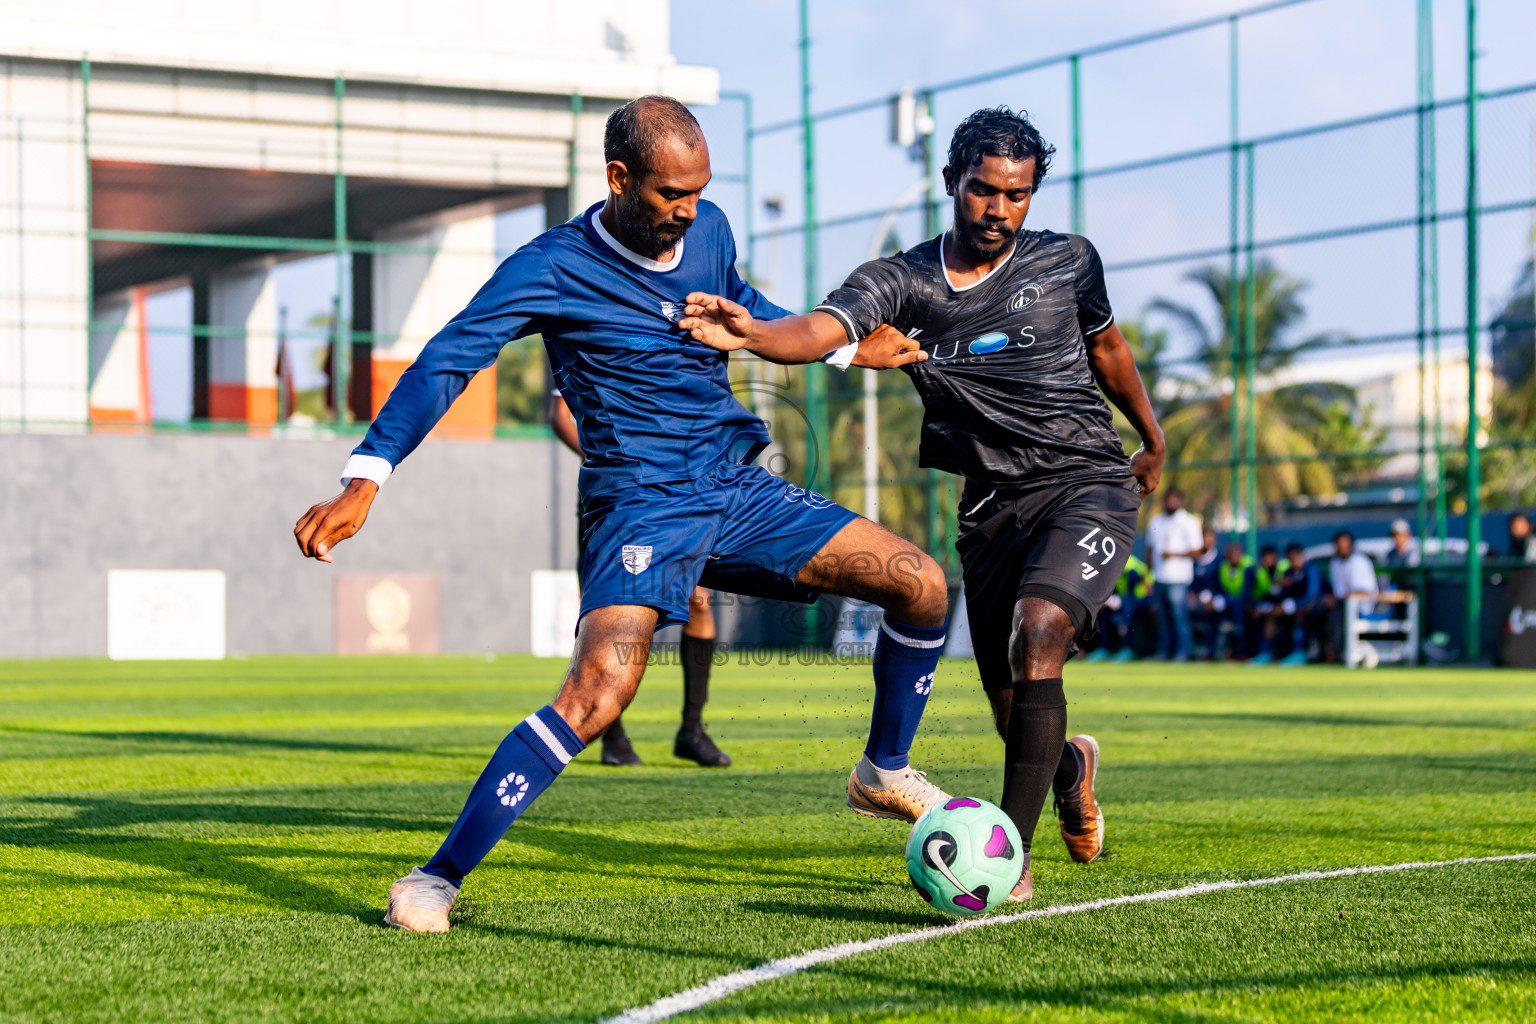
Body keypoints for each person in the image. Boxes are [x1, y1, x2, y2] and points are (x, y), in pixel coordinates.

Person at [294, 96, 954, 934]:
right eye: (672, 193)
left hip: (733, 488)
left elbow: (741, 305)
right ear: (618, 178)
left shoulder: (708, 228)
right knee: (600, 690)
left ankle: (883, 771)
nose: (689, 209)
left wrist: (847, 346)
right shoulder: (549, 267)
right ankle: (436, 876)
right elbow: (447, 362)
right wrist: (366, 478)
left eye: (699, 190)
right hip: (641, 503)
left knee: (920, 583)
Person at [676, 106, 1166, 903]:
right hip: (992, 507)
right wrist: (756, 336)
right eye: (983, 190)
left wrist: (1152, 439)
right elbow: (823, 325)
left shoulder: (1071, 261)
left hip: (1089, 482)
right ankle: (1070, 768)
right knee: (1014, 704)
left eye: (1017, 194)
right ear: (952, 183)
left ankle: (1010, 862)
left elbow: (1109, 348)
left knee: (1039, 635)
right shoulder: (902, 281)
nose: (999, 209)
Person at [550, 392, 728, 768]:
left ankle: (692, 731)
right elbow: (561, 416)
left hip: (676, 491)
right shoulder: (582, 337)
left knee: (698, 599)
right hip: (616, 495)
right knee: (605, 609)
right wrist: (614, 460)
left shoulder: (680, 343)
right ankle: (612, 735)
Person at [1146, 490, 1203, 662]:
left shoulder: (1189, 521)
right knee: (1162, 619)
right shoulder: (1156, 521)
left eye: (1173, 499)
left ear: (1181, 501)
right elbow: (1149, 550)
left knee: (1179, 617)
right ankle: (1164, 652)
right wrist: (1147, 575)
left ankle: (1183, 652)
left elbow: (1197, 551)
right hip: (1159, 577)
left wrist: (1174, 554)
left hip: (1179, 578)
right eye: (1167, 499)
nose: (1170, 503)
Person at [1323, 529, 1379, 662]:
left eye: (1345, 543)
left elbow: (1363, 591)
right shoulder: (1335, 563)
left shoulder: (1359, 561)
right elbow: (1337, 591)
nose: (1342, 547)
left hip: (1362, 607)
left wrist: (1337, 599)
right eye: (1339, 544)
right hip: (1342, 604)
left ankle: (1338, 653)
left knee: (1337, 614)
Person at [1084, 552, 1151, 662]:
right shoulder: (1110, 564)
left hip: (1139, 599)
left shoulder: (1129, 566)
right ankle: (1104, 648)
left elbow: (1136, 590)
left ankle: (1128, 649)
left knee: (1127, 612)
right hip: (1125, 597)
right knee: (1102, 611)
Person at [1273, 541, 1326, 664]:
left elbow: (1312, 595)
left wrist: (1294, 604)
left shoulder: (1311, 569)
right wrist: (1280, 587)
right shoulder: (1288, 573)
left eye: (1297, 556)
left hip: (1317, 606)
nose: (1294, 560)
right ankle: (1268, 652)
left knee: (1300, 613)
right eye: (1291, 558)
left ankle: (1300, 652)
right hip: (1295, 607)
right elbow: (1283, 594)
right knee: (1272, 614)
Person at [1245, 544, 1288, 664]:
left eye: (1270, 557)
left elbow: (1291, 589)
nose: (1267, 560)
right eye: (1265, 557)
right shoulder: (1260, 572)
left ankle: (1268, 652)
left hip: (1286, 605)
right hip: (1269, 605)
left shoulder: (1285, 569)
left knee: (1272, 619)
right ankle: (1259, 652)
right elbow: (1258, 594)